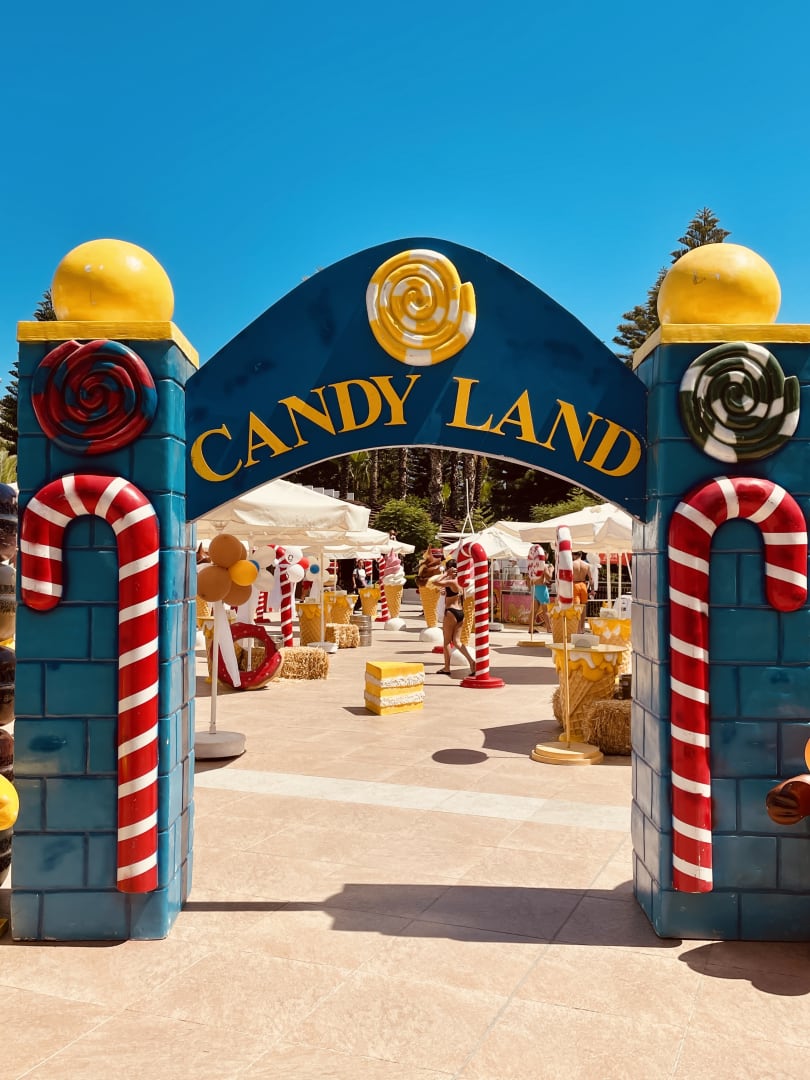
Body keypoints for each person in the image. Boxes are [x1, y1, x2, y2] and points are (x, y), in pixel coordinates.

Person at [433, 559, 475, 676]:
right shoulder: (461, 582)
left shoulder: (451, 582)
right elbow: (462, 597)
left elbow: (435, 582)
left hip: (451, 612)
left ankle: (447, 668)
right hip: (460, 612)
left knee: (447, 641)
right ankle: (472, 662)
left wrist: (446, 574)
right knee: (457, 641)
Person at [572, 551, 591, 632]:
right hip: (583, 585)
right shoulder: (587, 565)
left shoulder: (572, 564)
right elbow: (591, 579)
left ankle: (577, 628)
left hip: (575, 584)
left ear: (574, 555)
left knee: (576, 607)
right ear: (581, 555)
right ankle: (582, 628)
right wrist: (592, 590)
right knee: (583, 607)